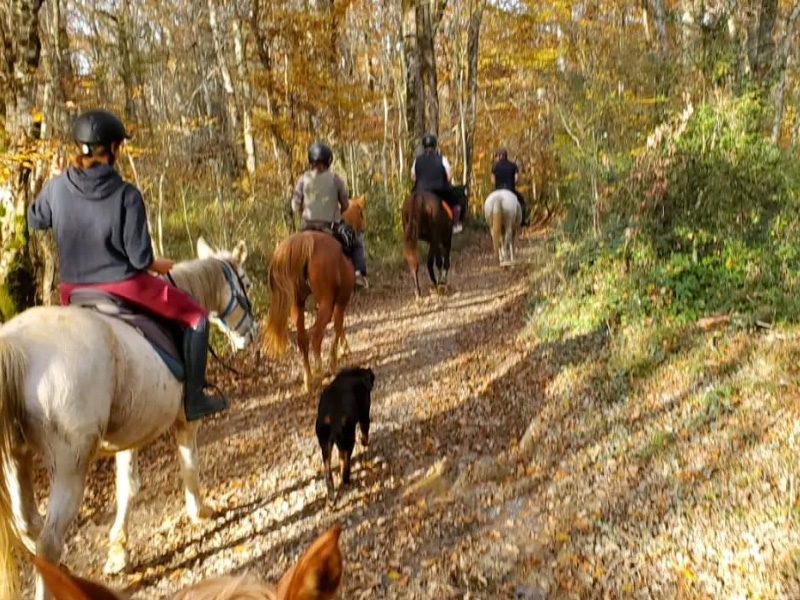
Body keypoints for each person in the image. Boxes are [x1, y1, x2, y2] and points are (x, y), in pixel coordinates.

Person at [27, 108, 226, 421]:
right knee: (196, 316)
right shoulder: (126, 195)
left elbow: (35, 219)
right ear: (115, 149)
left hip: (72, 291)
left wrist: (53, 180)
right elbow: (139, 259)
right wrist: (159, 263)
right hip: (123, 286)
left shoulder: (56, 188)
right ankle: (195, 399)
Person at [292, 141, 368, 289]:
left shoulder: (302, 179)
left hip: (307, 227)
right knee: (356, 243)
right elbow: (345, 205)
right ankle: (359, 274)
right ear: (329, 160)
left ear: (310, 161)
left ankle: (293, 279)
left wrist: (305, 209)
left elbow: (295, 206)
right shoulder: (335, 179)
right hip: (331, 228)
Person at [411, 133, 464, 234]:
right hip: (439, 190)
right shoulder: (442, 159)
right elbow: (449, 176)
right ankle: (455, 224)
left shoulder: (417, 160)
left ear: (423, 146)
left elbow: (413, 177)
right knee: (456, 202)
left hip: (420, 190)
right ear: (435, 146)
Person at [491, 147, 529, 227]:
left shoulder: (494, 166)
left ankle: (489, 220)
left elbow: (493, 181)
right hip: (510, 190)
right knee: (522, 202)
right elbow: (516, 179)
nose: (495, 158)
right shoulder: (513, 165)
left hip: (498, 190)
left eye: (496, 156)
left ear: (500, 156)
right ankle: (523, 220)